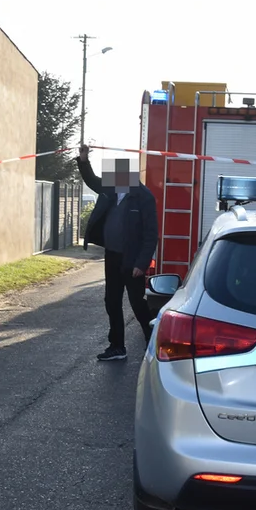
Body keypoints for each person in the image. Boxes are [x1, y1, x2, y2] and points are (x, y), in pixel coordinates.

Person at [77, 144, 159, 361]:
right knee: (111, 301)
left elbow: (151, 235)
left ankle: (152, 340)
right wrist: (83, 161)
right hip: (112, 255)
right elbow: (92, 181)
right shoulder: (111, 190)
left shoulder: (143, 197)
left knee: (137, 303)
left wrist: (141, 264)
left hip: (132, 260)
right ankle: (116, 347)